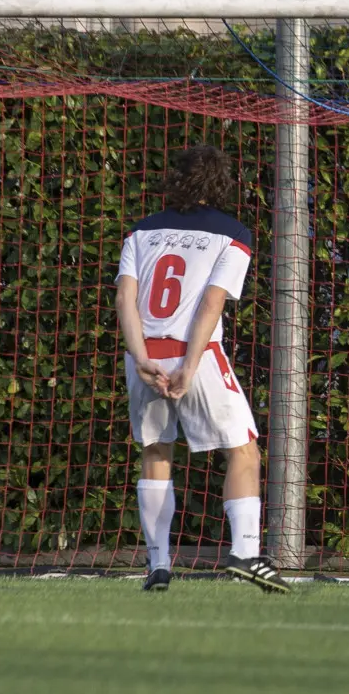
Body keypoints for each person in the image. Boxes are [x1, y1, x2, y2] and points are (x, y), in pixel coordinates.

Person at [115, 144, 289, 593]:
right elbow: (212, 301)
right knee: (244, 449)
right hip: (197, 355)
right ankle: (246, 555)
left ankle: (158, 565)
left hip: (144, 357)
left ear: (175, 177)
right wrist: (190, 366)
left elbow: (124, 300)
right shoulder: (233, 233)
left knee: (155, 451)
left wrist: (140, 359)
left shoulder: (141, 232)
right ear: (222, 184)